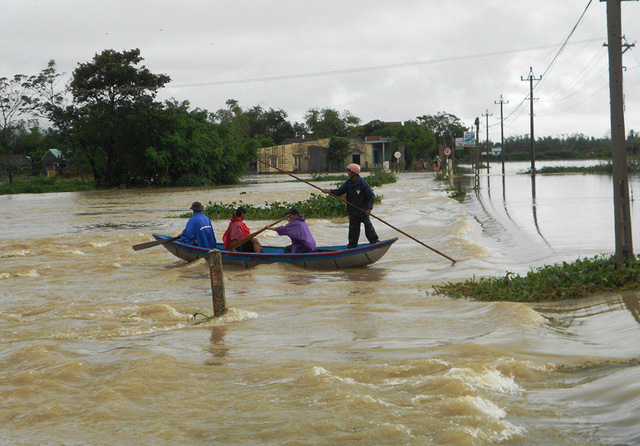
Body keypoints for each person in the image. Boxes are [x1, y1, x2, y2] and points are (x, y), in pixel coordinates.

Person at [321, 163, 379, 249]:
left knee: (368, 226)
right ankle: (352, 246)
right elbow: (340, 191)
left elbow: (371, 196)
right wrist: (329, 191)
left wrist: (369, 208)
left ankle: (374, 241)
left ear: (353, 173)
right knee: (353, 230)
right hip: (352, 211)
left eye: (349, 171)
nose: (347, 173)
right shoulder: (349, 182)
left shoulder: (363, 183)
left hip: (362, 210)